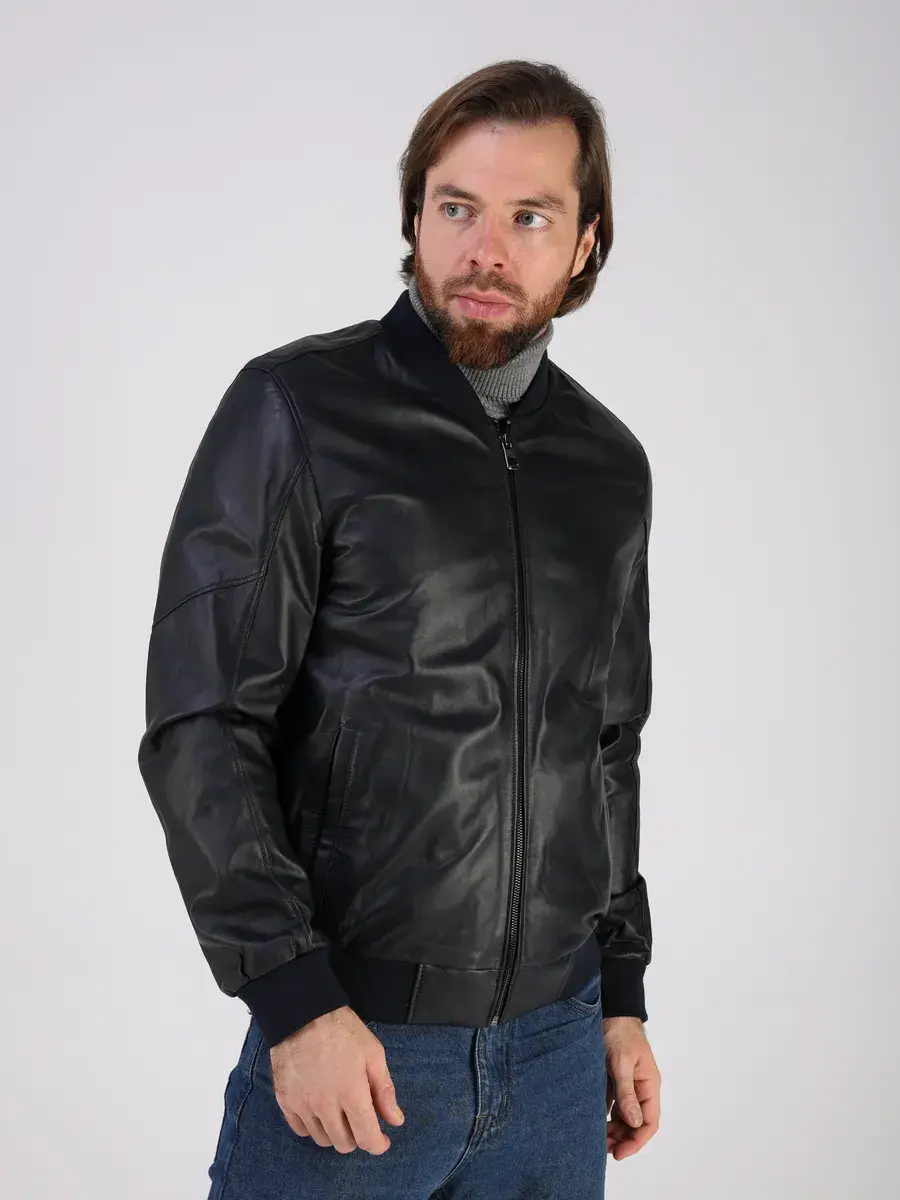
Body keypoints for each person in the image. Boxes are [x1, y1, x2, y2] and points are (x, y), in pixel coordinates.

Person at [137, 57, 662, 1199]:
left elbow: (606, 744)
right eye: (457, 207)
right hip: (358, 1050)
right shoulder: (298, 412)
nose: (486, 249)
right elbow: (202, 724)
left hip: (559, 1056)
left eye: (530, 216)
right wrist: (294, 998)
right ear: (415, 217)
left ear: (585, 245)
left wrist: (620, 996)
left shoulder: (609, 466)